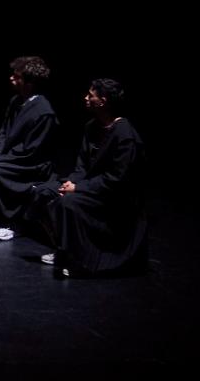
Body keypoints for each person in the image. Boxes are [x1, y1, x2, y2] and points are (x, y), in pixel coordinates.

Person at [34, 78, 147, 278]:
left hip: (112, 196)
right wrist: (72, 182)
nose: (85, 98)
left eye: (90, 95)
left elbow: (116, 179)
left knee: (68, 203)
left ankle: (77, 258)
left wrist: (78, 188)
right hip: (88, 186)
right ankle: (63, 248)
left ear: (103, 101)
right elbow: (82, 165)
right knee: (43, 192)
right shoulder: (91, 127)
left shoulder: (125, 135)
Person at [0, 55, 58, 242]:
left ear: (29, 83)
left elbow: (30, 151)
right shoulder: (16, 101)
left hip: (29, 163)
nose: (11, 78)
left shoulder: (44, 112)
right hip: (8, 155)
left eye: (17, 77)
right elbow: (4, 134)